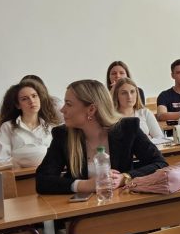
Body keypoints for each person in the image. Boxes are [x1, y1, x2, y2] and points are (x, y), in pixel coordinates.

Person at [36, 79, 166, 195]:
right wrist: (83, 185)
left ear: (91, 109)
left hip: (123, 204)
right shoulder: (62, 135)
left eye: (69, 104)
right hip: (82, 211)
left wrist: (125, 177)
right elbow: (42, 181)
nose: (62, 110)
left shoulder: (127, 128)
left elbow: (160, 164)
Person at [0, 78, 61, 167]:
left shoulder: (51, 126)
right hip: (19, 177)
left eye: (34, 96)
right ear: (17, 105)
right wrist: (21, 161)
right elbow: (0, 162)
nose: (32, 101)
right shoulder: (7, 127)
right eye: (24, 99)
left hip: (48, 175)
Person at [111, 76, 165, 141]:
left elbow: (160, 137)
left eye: (132, 92)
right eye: (124, 93)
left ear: (137, 94)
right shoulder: (111, 117)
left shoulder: (145, 113)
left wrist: (146, 142)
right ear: (116, 96)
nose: (129, 97)